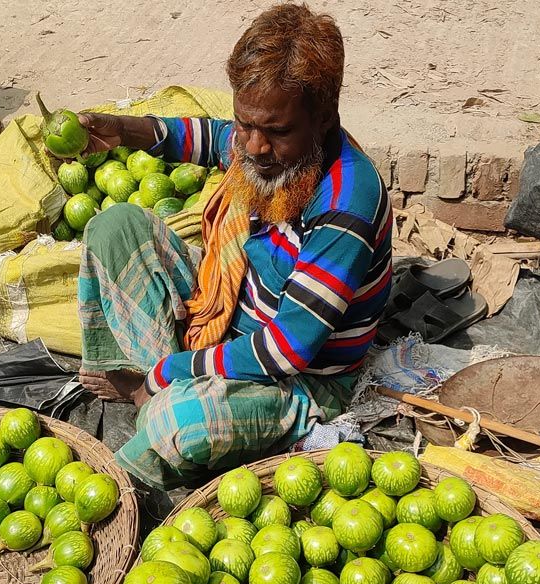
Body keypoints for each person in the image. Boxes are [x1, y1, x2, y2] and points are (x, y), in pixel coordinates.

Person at [76, 4, 392, 489]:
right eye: (246, 123)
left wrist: (166, 375)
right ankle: (160, 381)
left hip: (299, 377)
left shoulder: (347, 200)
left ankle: (157, 403)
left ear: (325, 117)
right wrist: (129, 130)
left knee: (176, 423)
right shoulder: (261, 145)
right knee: (113, 227)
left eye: (276, 131)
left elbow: (287, 351)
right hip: (229, 322)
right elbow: (213, 137)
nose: (255, 146)